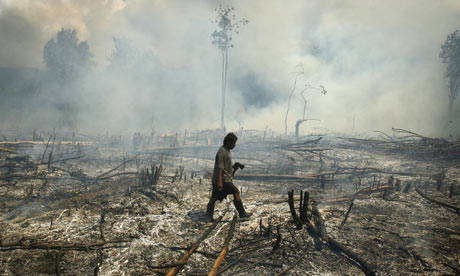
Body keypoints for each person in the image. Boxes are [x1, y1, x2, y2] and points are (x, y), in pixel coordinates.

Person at [206, 132, 252, 221]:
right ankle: (242, 214)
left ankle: (208, 217)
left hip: (221, 179)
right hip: (222, 179)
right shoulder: (222, 152)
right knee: (236, 192)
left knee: (214, 197)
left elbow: (224, 167)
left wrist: (234, 167)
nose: (234, 145)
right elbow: (220, 167)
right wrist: (220, 181)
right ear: (229, 142)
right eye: (234, 143)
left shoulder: (227, 151)